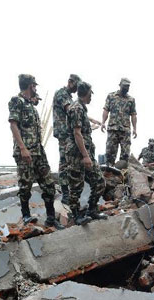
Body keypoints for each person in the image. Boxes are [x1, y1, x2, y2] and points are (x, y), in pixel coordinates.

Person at [8, 73, 62, 228]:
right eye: (35, 86)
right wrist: (23, 148)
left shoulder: (29, 104)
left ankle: (51, 219)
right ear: (31, 85)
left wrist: (33, 99)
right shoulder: (16, 101)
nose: (36, 88)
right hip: (25, 152)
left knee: (48, 184)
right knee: (25, 186)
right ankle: (26, 216)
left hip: (39, 152)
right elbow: (13, 125)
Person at [64, 81, 106, 226]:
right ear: (86, 93)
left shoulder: (82, 108)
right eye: (90, 94)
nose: (91, 97)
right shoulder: (76, 108)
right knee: (76, 186)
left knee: (99, 181)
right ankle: (76, 215)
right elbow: (76, 133)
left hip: (86, 152)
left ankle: (92, 210)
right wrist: (85, 156)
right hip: (77, 153)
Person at [52, 74, 81, 203]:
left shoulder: (68, 96)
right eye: (76, 86)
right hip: (63, 132)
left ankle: (69, 192)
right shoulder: (62, 93)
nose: (76, 89)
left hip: (67, 132)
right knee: (64, 162)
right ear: (70, 82)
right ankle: (65, 194)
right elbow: (70, 110)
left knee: (70, 161)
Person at [101, 78, 137, 164]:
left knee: (125, 155)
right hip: (113, 128)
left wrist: (135, 129)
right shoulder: (111, 96)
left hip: (125, 130)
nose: (126, 88)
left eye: (128, 86)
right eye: (124, 86)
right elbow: (106, 110)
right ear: (120, 85)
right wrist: (103, 123)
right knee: (110, 154)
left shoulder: (131, 100)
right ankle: (109, 173)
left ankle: (123, 174)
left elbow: (133, 114)